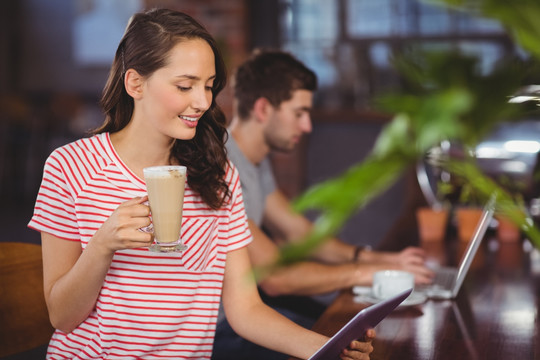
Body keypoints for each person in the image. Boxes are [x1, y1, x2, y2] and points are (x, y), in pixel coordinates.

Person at [28, 9, 374, 360]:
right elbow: (62, 316)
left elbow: (245, 310)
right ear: (135, 84)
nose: (202, 102)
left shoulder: (217, 174)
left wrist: (327, 347)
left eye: (208, 86)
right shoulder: (69, 168)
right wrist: (102, 246)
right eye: (185, 86)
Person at [212, 49, 434, 359]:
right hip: (222, 332)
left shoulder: (255, 162)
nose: (307, 127)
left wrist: (376, 259)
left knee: (358, 336)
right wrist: (365, 272)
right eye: (299, 113)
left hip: (247, 316)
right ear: (263, 109)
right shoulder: (221, 164)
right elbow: (276, 277)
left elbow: (298, 232)